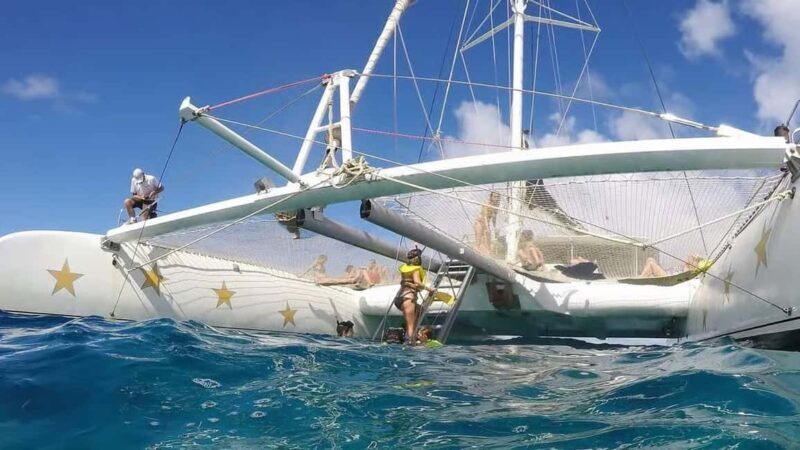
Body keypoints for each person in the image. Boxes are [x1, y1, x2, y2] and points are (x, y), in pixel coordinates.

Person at [394, 248, 435, 344]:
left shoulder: (405, 268)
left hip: (399, 298)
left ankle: (412, 337)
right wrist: (429, 289)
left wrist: (409, 284)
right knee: (411, 326)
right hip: (409, 298)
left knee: (420, 310)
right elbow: (417, 283)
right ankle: (410, 343)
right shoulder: (415, 269)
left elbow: (403, 282)